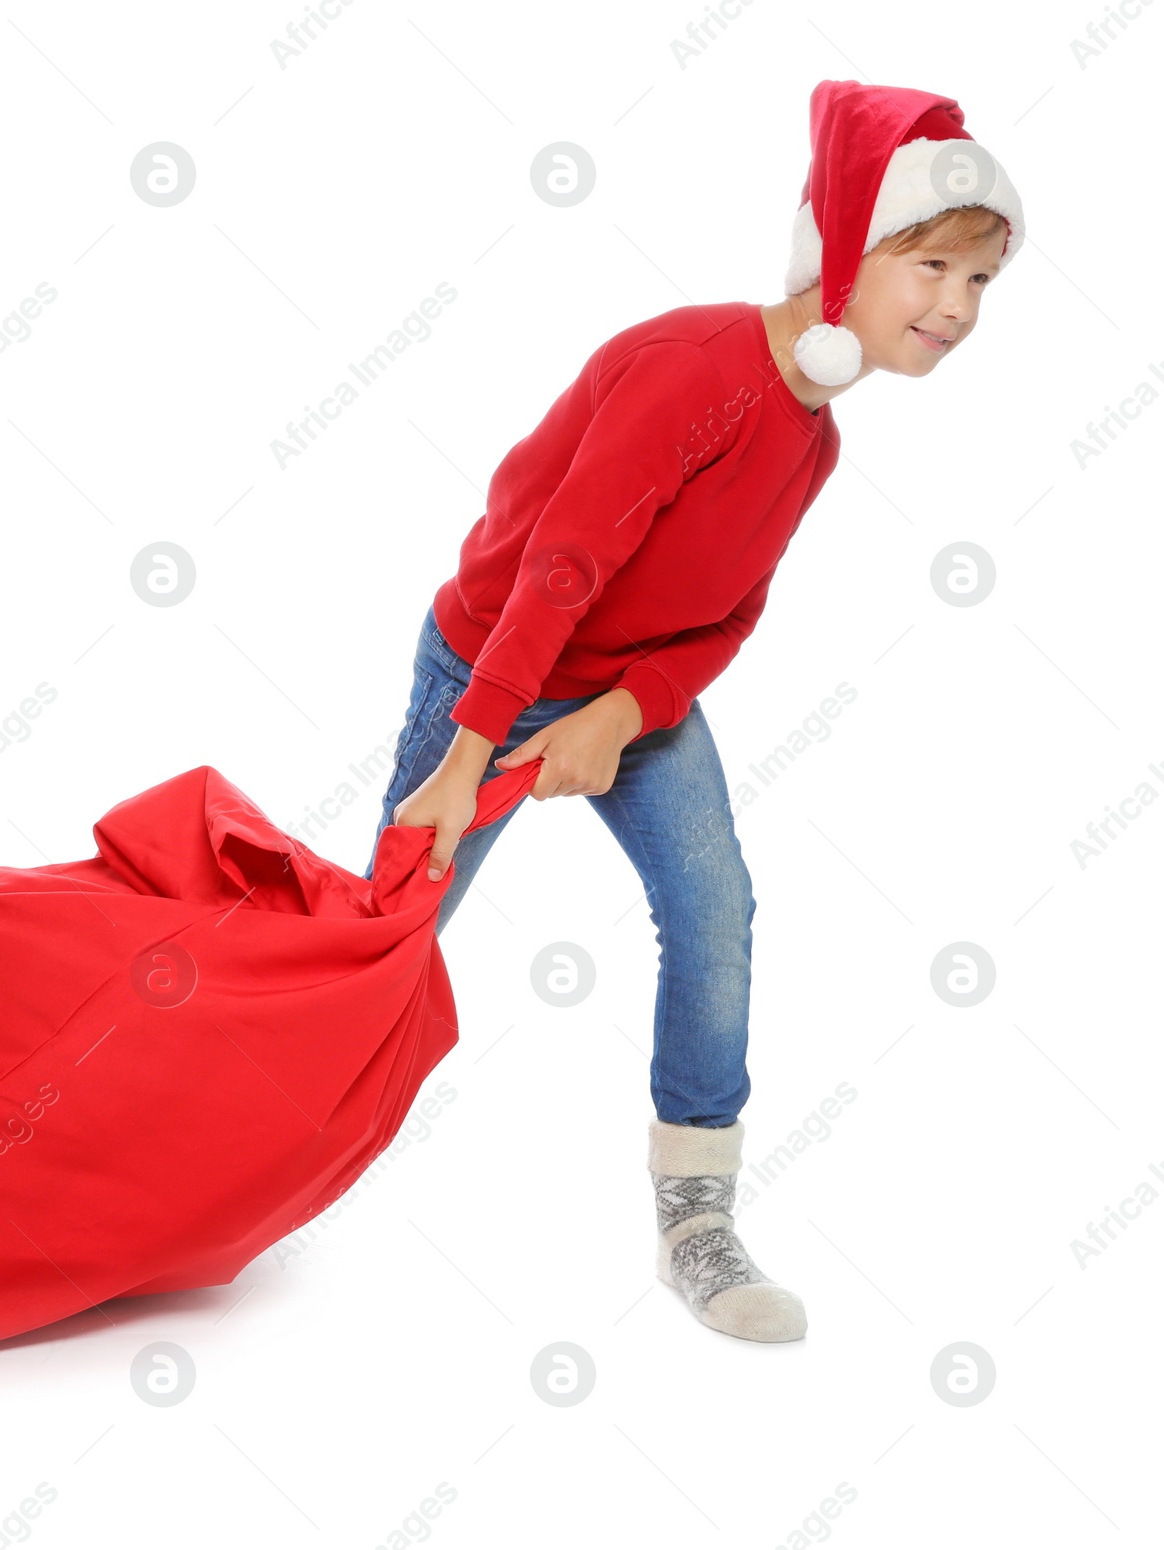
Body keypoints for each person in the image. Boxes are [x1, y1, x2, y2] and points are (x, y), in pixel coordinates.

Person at [361, 80, 1026, 1342]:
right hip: (492, 668)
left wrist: (624, 710)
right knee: (396, 915)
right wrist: (469, 748)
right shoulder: (692, 370)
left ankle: (695, 1216)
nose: (954, 305)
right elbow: (559, 564)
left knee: (713, 907)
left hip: (626, 690)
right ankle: (257, 1142)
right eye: (931, 263)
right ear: (842, 251)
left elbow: (727, 616)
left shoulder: (815, 440)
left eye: (980, 283)